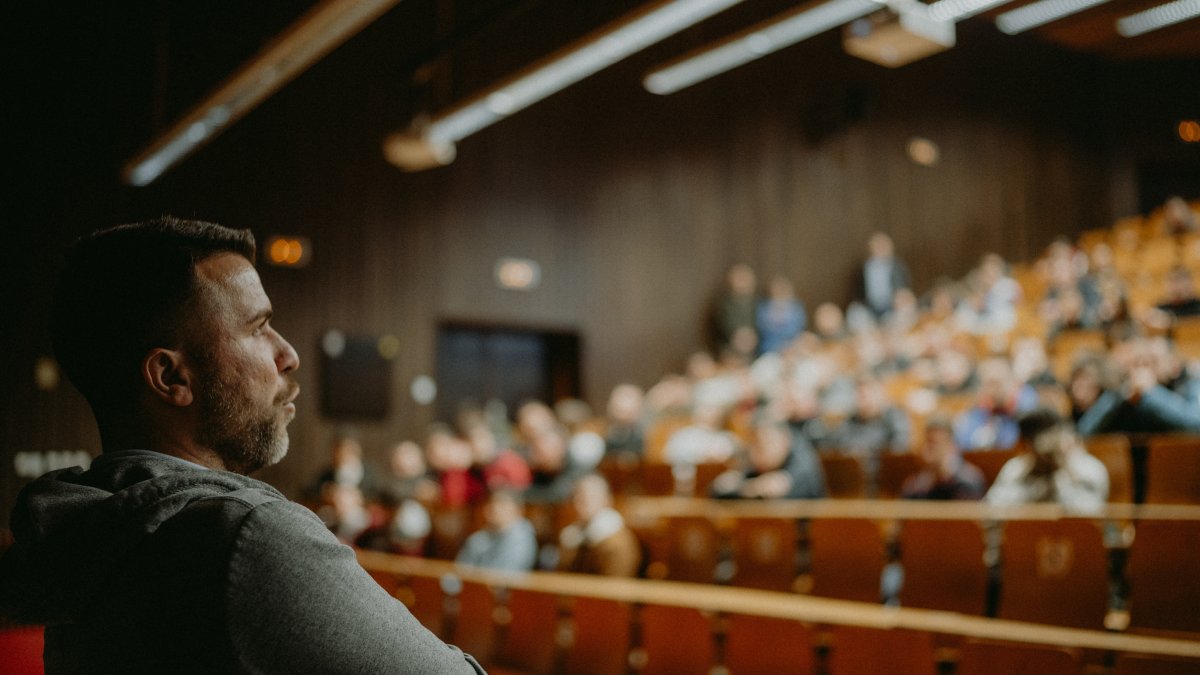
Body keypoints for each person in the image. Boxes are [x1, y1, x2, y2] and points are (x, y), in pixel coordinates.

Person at [0, 218, 482, 673]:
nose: (288, 354)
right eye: (257, 327)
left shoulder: (85, 529)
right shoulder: (246, 537)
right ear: (171, 377)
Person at [986, 409, 1108, 512]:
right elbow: (992, 507)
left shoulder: (1087, 467)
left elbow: (1094, 511)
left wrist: (1062, 476)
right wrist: (1035, 487)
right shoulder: (1016, 468)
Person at [711, 417, 826, 499]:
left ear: (784, 440)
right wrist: (751, 487)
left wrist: (748, 488)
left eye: (763, 444)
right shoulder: (756, 467)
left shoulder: (802, 466)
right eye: (753, 445)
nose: (756, 452)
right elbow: (721, 490)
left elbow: (778, 493)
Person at [557, 474, 641, 577]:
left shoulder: (616, 542)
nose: (578, 502)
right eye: (576, 496)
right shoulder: (572, 537)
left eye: (586, 497)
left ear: (606, 500)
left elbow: (615, 585)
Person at [900, 416, 986, 500]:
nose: (927, 449)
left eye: (934, 443)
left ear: (951, 445)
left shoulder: (969, 482)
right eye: (927, 442)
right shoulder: (916, 486)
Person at [455, 490, 538, 573]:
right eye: (491, 503)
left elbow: (504, 575)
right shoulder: (478, 538)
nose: (494, 508)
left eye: (502, 504)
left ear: (518, 510)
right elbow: (460, 571)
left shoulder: (521, 537)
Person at [861, 232, 911, 318]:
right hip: (871, 307)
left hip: (893, 306)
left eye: (883, 246)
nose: (880, 249)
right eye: (877, 246)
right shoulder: (867, 267)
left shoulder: (897, 266)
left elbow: (904, 287)